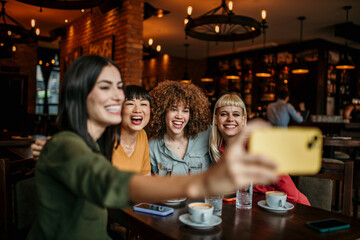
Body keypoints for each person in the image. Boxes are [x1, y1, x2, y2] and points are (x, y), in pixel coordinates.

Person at [26, 55, 277, 240]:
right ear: (79, 94)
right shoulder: (67, 146)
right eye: (105, 86)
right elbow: (110, 184)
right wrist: (204, 183)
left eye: (119, 87)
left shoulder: (88, 145)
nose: (118, 96)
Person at [210, 93, 310, 205]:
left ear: (244, 120)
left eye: (236, 114)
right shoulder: (219, 149)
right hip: (259, 209)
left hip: (294, 207)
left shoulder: (257, 147)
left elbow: (291, 195)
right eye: (224, 114)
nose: (230, 119)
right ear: (215, 120)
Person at [31, 85, 152, 176]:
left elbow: (145, 177)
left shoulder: (142, 135)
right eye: (130, 103)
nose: (138, 110)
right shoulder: (102, 134)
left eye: (143, 104)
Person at [149, 80, 212, 175]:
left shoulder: (207, 134)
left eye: (185, 111)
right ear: (162, 112)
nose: (179, 116)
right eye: (174, 109)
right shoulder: (152, 147)